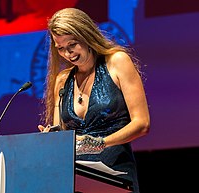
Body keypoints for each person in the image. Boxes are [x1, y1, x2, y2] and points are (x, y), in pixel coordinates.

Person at [38, 7, 150, 193]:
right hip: (76, 178)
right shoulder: (62, 81)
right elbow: (63, 137)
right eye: (61, 48)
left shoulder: (117, 62)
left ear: (86, 34)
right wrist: (51, 138)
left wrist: (100, 143)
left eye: (72, 44)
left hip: (115, 175)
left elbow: (142, 123)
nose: (68, 53)